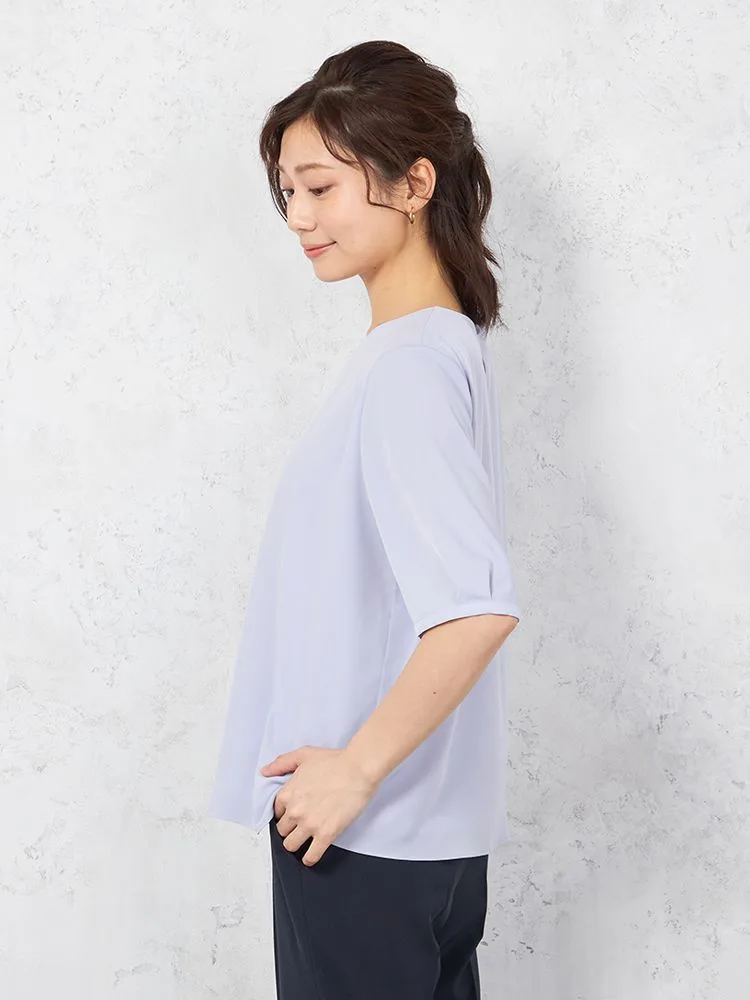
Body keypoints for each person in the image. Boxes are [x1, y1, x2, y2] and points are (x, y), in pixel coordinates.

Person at [207, 39, 522, 1000]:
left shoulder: (409, 369)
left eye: (320, 187)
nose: (299, 217)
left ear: (414, 183)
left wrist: (353, 772)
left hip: (361, 836)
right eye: (287, 194)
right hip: (418, 837)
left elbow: (474, 610)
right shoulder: (440, 349)